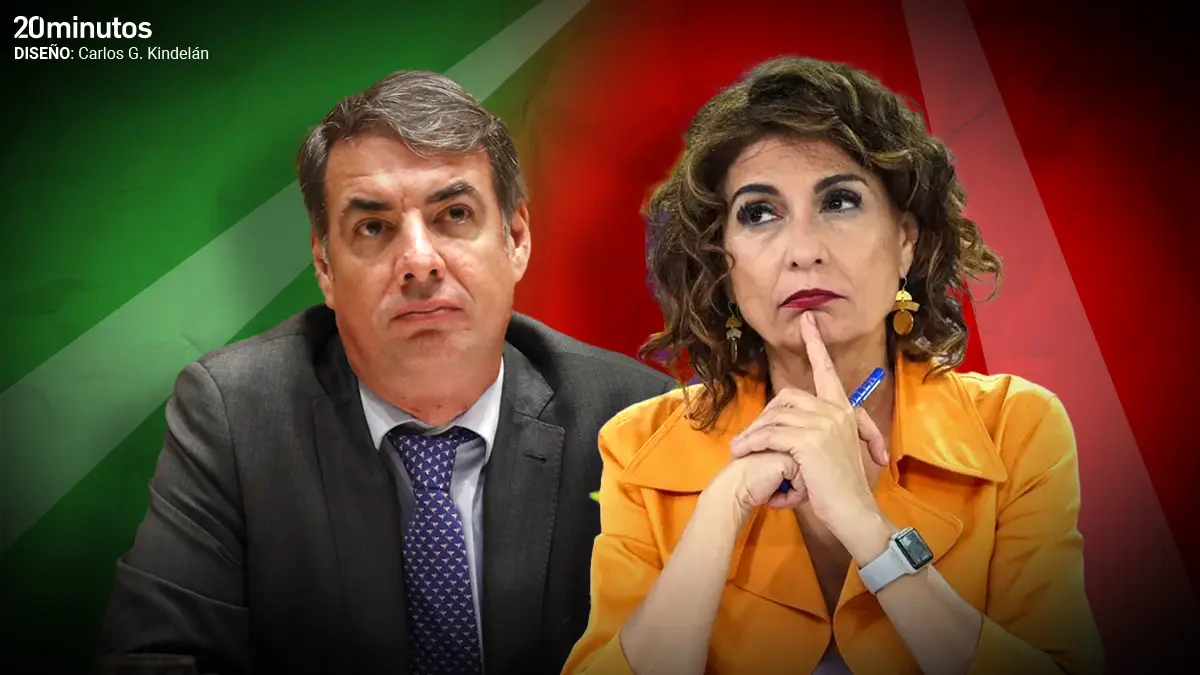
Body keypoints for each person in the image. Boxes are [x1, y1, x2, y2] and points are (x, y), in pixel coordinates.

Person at [98, 70, 673, 675]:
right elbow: (157, 660)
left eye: (454, 214)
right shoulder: (236, 414)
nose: (418, 262)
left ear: (516, 239)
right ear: (325, 267)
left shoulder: (637, 418)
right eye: (373, 227)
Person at [563, 56, 1105, 675]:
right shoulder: (638, 446)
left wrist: (866, 525)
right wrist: (722, 510)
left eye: (840, 201)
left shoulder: (1018, 427)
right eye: (759, 213)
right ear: (723, 263)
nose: (803, 251)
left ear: (906, 241)